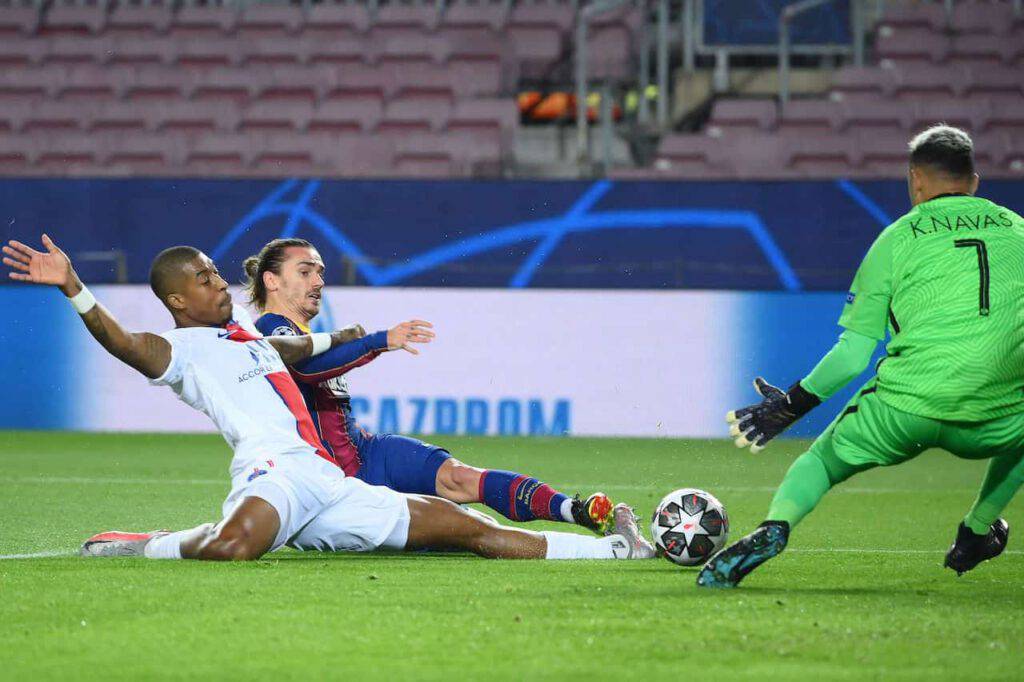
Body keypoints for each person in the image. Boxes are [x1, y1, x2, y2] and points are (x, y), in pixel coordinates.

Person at [1, 235, 655, 562]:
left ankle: (617, 550)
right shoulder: (181, 352)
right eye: (201, 278)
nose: (215, 280)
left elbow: (300, 352)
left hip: (329, 479)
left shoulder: (248, 341)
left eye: (213, 270)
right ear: (177, 301)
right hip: (276, 474)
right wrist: (74, 287)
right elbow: (121, 342)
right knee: (231, 551)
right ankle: (155, 543)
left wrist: (346, 337)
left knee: (465, 526)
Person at [698, 125, 1024, 588]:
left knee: (821, 463)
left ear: (915, 180)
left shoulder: (896, 239)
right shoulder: (1018, 230)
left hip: (905, 408)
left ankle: (776, 527)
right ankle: (976, 531)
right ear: (974, 180)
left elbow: (853, 356)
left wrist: (792, 405)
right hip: (995, 414)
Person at [241, 237, 615, 534]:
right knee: (457, 530)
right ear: (271, 280)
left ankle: (575, 510)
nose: (319, 281)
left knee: (459, 477)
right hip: (330, 483)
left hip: (366, 452)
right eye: (306, 271)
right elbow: (307, 369)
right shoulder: (272, 331)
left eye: (320, 272)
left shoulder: (310, 334)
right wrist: (377, 340)